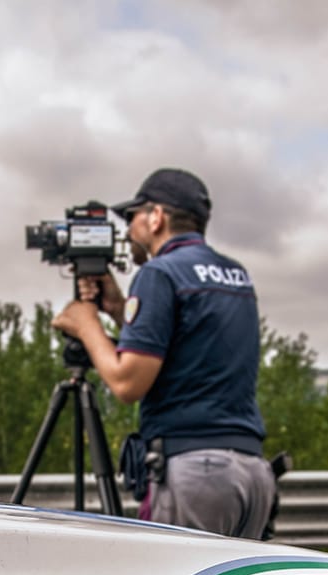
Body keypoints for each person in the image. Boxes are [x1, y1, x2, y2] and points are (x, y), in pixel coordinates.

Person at [52, 168, 276, 539]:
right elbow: (186, 347)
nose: (127, 230)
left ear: (156, 217)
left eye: (132, 217)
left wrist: (86, 324)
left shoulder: (160, 273)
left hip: (196, 474)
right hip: (252, 473)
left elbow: (127, 382)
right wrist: (119, 309)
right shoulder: (235, 274)